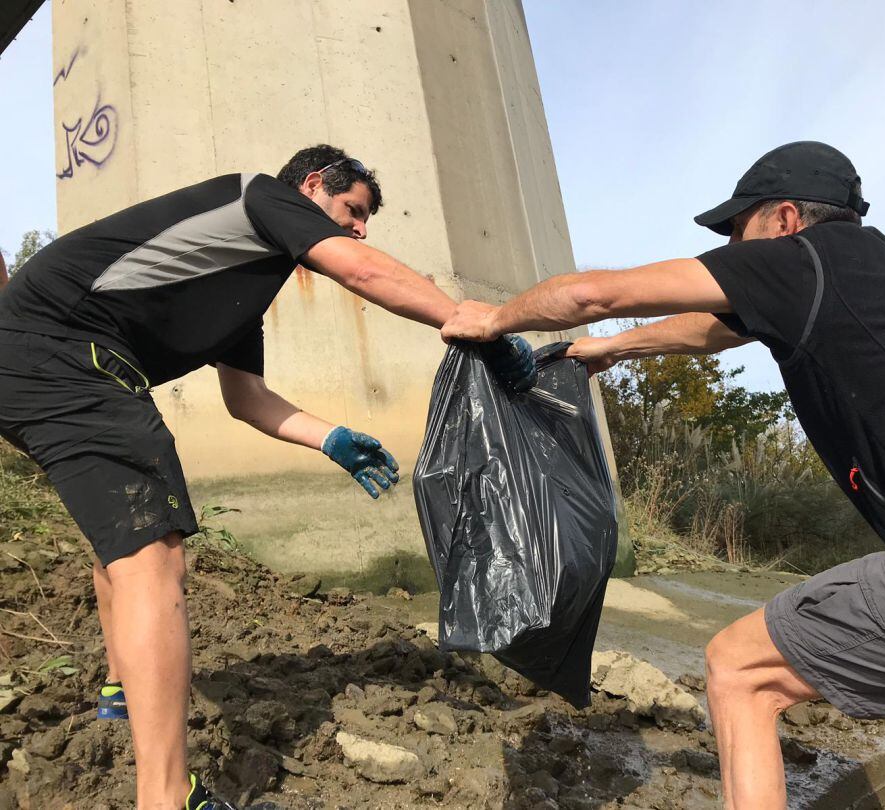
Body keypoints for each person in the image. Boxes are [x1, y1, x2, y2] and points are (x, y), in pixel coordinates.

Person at [440, 141, 885, 810]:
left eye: (735, 233)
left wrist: (495, 317)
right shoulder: (882, 274)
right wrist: (612, 351)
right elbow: (714, 331)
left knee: (742, 669)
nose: (732, 252)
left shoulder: (805, 260)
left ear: (782, 221)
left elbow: (592, 292)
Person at [0, 144, 534, 810]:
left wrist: (331, 439)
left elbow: (245, 398)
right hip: (67, 353)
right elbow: (362, 271)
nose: (361, 227)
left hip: (31, 364)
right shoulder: (258, 196)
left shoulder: (238, 285)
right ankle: (165, 797)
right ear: (311, 187)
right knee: (153, 557)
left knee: (122, 543)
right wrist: (470, 319)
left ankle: (118, 692)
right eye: (353, 209)